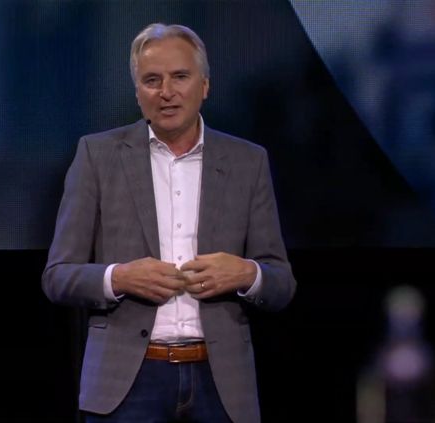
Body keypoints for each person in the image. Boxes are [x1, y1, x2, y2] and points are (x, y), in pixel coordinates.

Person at [42, 23, 296, 423]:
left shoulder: (248, 162)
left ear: (204, 85)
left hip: (221, 383)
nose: (166, 91)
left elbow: (281, 283)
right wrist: (119, 278)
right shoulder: (97, 155)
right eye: (152, 80)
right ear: (138, 92)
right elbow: (58, 276)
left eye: (180, 76)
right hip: (126, 385)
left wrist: (246, 273)